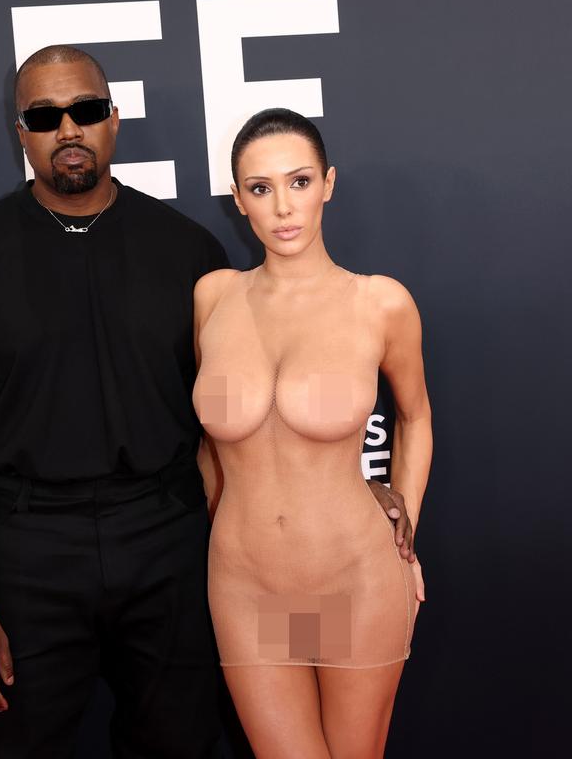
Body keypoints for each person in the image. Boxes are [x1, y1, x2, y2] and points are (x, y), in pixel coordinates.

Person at [0, 45, 414, 758]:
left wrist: (371, 491)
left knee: (184, 742)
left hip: (173, 545)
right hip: (30, 553)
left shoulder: (192, 258)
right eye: (45, 117)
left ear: (113, 119)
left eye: (84, 110)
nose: (67, 129)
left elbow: (245, 423)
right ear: (22, 133)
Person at [193, 108, 431, 759]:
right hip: (247, 590)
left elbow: (415, 418)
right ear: (239, 200)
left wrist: (405, 518)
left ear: (327, 183)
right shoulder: (212, 298)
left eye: (298, 182)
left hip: (353, 580)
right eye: (261, 188)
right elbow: (212, 447)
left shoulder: (380, 303)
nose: (282, 207)